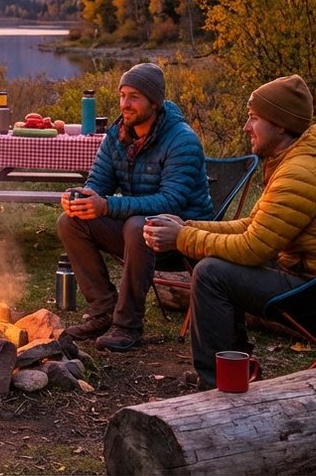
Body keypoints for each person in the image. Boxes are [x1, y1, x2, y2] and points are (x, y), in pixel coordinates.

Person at [143, 75, 316, 389]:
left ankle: (216, 381)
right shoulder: (295, 161)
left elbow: (253, 248)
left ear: (280, 124)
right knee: (216, 262)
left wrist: (181, 239)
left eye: (254, 119)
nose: (246, 127)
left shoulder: (299, 173)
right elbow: (253, 225)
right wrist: (189, 226)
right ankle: (234, 366)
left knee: (212, 273)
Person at [57, 63, 214, 352]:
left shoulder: (182, 140)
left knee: (138, 225)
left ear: (154, 103)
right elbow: (98, 182)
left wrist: (108, 207)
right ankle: (104, 310)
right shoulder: (117, 135)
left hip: (182, 236)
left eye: (134, 97)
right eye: (122, 95)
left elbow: (170, 202)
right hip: (138, 233)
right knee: (70, 220)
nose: (124, 104)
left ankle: (127, 324)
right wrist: (79, 196)